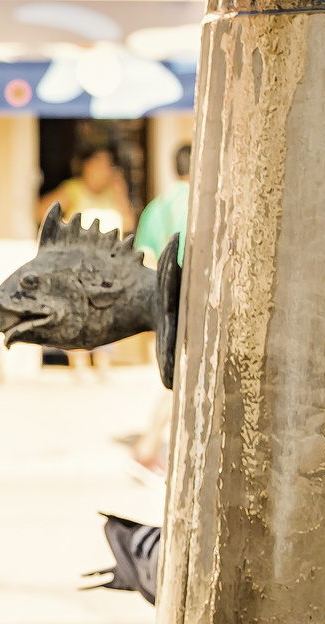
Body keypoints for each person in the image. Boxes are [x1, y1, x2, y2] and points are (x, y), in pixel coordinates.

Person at [36, 148, 136, 377]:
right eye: (100, 164)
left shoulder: (112, 194)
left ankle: (102, 364)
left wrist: (121, 191)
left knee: (105, 315)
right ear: (87, 166)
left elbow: (128, 222)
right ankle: (80, 365)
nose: (105, 170)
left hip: (107, 268)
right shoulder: (73, 190)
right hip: (78, 267)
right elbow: (42, 210)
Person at [129, 144, 192, 477]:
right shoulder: (201, 200)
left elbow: (144, 255)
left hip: (165, 297)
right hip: (194, 298)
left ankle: (149, 446)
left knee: (175, 375)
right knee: (180, 376)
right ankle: (148, 446)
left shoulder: (157, 207)